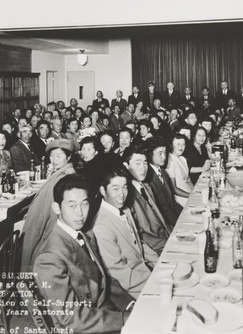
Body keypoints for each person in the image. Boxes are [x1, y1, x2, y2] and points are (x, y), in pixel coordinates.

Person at [33, 174, 134, 333]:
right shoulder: (49, 258)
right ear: (57, 208)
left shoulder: (85, 233)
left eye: (84, 204)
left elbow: (102, 278)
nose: (80, 213)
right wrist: (124, 319)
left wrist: (129, 304)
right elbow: (70, 318)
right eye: (72, 206)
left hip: (100, 314)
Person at [92, 166, 158, 298]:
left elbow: (139, 243)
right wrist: (154, 280)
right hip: (133, 287)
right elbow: (118, 272)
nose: (121, 194)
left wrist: (160, 264)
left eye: (125, 187)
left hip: (146, 272)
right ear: (103, 191)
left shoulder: (126, 210)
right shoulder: (101, 226)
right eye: (115, 189)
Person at [21, 139, 76, 272]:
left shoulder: (63, 178)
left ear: (68, 157)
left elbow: (50, 212)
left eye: (58, 156)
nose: (54, 159)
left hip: (46, 230)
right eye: (52, 156)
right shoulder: (62, 172)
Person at [123, 146, 170, 255]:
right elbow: (138, 237)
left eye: (145, 163)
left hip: (165, 238)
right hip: (154, 250)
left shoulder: (145, 186)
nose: (143, 168)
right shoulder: (126, 196)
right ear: (126, 166)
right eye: (137, 163)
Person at [145, 136, 183, 227]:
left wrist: (185, 213)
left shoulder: (163, 172)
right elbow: (163, 209)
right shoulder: (148, 178)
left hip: (173, 217)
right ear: (150, 154)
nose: (164, 157)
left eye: (165, 153)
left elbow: (172, 202)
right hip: (164, 223)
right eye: (160, 153)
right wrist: (179, 223)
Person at [166, 133, 194, 207]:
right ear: (171, 145)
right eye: (178, 144)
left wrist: (195, 192)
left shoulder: (182, 159)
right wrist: (191, 195)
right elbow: (174, 189)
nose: (181, 147)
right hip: (181, 198)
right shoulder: (170, 161)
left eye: (183, 144)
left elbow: (189, 180)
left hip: (190, 194)